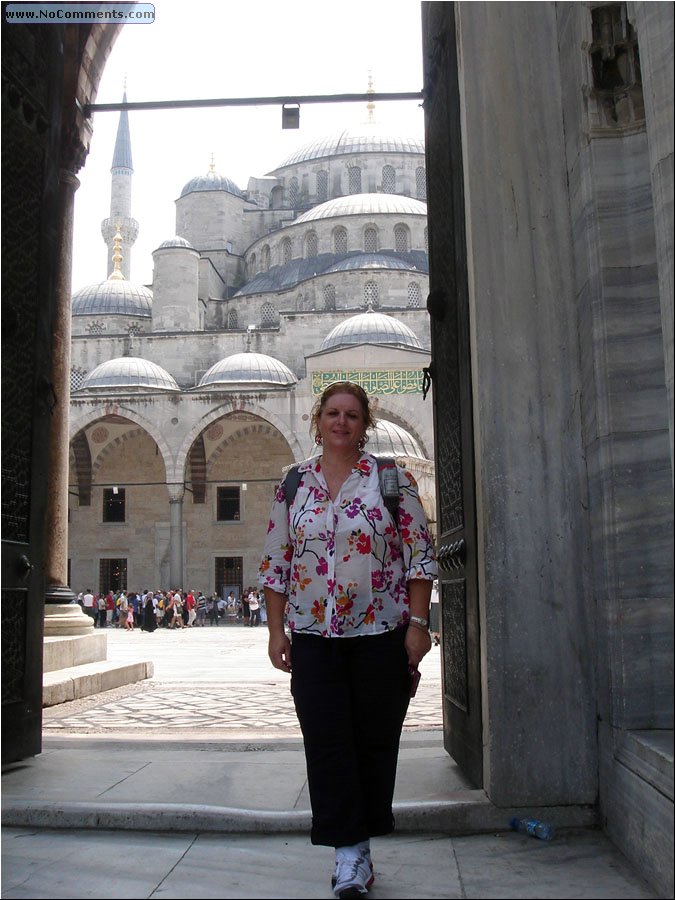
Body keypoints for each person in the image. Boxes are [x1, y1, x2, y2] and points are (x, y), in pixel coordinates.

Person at [260, 381, 437, 899]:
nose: (341, 422)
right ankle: (349, 853)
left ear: (366, 425)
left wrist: (419, 625)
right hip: (315, 637)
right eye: (333, 413)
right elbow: (276, 562)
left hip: (381, 633)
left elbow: (419, 556)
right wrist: (276, 631)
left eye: (352, 415)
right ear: (317, 421)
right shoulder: (293, 484)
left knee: (374, 739)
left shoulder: (392, 479)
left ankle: (357, 846)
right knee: (327, 739)